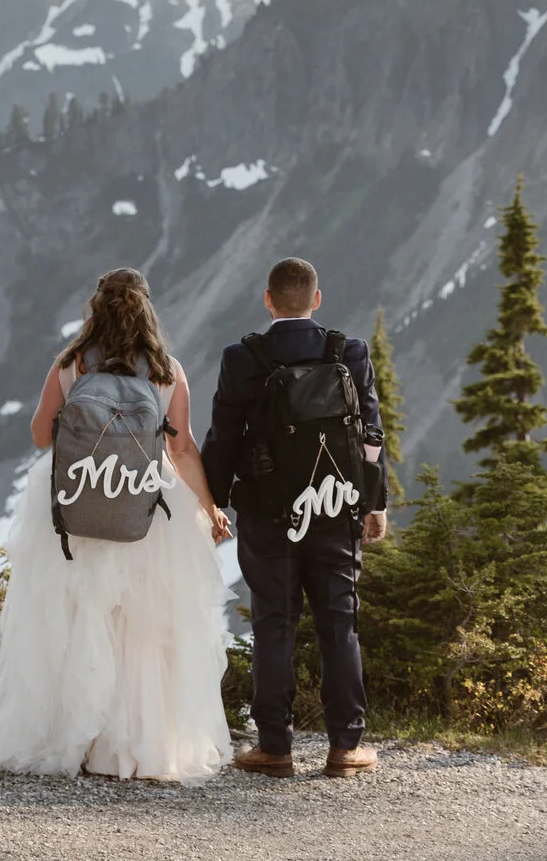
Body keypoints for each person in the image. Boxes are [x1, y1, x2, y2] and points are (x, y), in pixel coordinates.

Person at [0, 267, 234, 783]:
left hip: (77, 504)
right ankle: (133, 749)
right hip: (146, 508)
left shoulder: (72, 363)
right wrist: (209, 507)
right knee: (141, 626)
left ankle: (71, 739)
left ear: (95, 308)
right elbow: (181, 449)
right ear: (146, 311)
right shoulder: (165, 370)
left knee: (73, 619)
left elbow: (38, 437)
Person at [201, 256, 388, 779]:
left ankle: (275, 748)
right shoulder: (348, 352)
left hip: (268, 515)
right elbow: (370, 437)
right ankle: (346, 748)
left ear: (268, 299)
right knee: (339, 623)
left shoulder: (244, 358)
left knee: (274, 624)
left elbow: (222, 436)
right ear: (317, 299)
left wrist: (214, 501)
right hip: (334, 507)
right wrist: (374, 504)